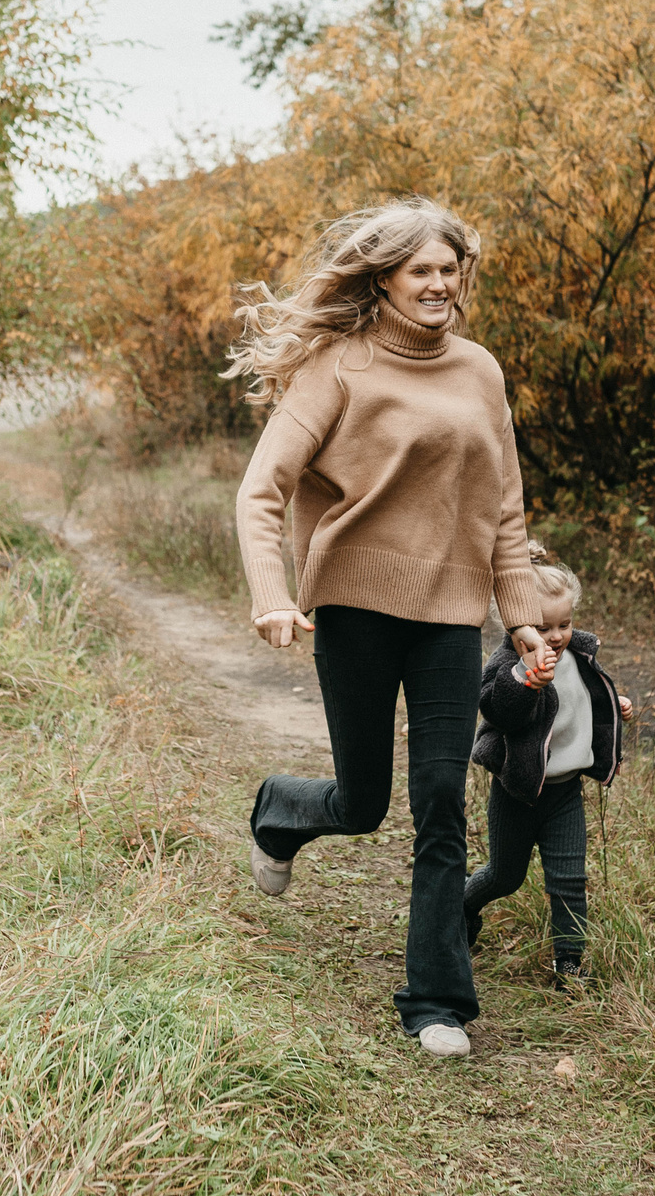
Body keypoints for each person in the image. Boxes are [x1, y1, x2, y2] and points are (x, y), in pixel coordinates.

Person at [228, 199, 548, 1060]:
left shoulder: (481, 372)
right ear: (385, 279)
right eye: (423, 271)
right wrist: (272, 592)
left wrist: (519, 617)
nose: (441, 283)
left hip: (450, 615)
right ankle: (279, 812)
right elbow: (262, 490)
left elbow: (505, 508)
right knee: (364, 801)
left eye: (451, 269)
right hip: (357, 609)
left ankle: (437, 1000)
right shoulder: (337, 367)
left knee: (441, 799)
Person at [464, 546, 633, 986]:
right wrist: (526, 682)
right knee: (504, 877)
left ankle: (569, 968)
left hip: (563, 793)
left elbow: (582, 703)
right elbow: (500, 713)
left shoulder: (578, 656)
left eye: (564, 624)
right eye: (542, 626)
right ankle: (460, 908)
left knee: (569, 880)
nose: (555, 636)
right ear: (516, 623)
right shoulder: (507, 665)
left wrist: (614, 706)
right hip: (517, 791)